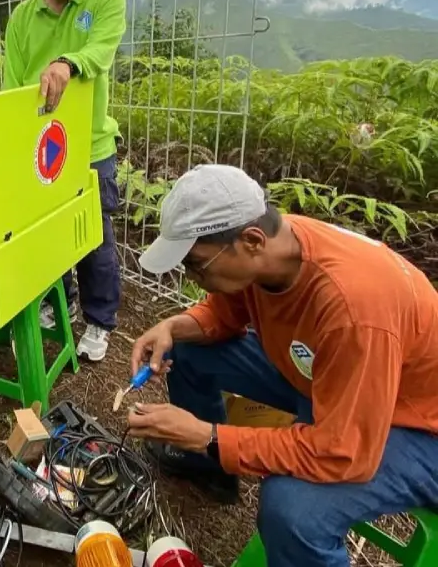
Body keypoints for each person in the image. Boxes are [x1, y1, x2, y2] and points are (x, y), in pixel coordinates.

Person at [126, 164, 438, 567]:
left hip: (413, 424)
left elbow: (343, 453)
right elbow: (226, 313)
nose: (192, 277)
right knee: (186, 349)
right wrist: (173, 326)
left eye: (197, 265)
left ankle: (212, 458)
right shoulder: (278, 245)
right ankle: (211, 473)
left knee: (291, 512)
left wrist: (209, 436)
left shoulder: (354, 309)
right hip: (332, 374)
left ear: (251, 240)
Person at [2, 0, 127, 362]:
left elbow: (100, 52)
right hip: (43, 151)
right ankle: (63, 300)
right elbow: (14, 84)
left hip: (90, 145)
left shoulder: (106, 2)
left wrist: (65, 63)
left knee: (93, 235)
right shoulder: (21, 18)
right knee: (47, 235)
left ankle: (99, 318)